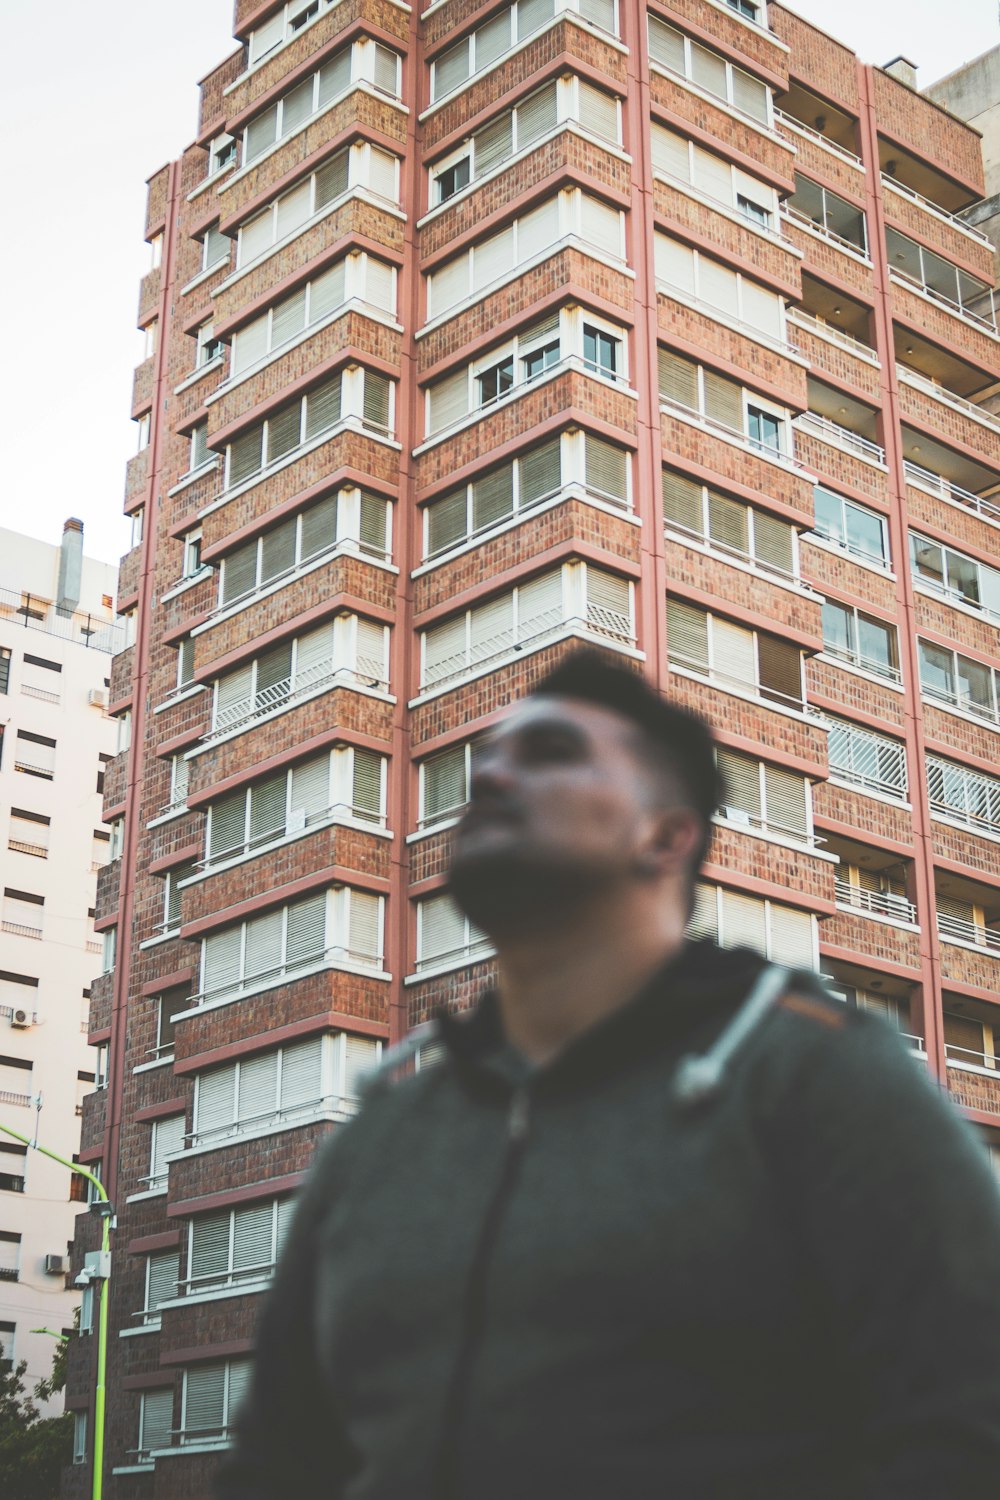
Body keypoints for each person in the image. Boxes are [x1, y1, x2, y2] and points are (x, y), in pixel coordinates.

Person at [216, 649, 1000, 1499]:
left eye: (549, 752)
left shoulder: (812, 1074)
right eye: (489, 757)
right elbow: (277, 1461)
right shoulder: (385, 1136)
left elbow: (968, 1418)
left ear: (666, 836)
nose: (492, 773)